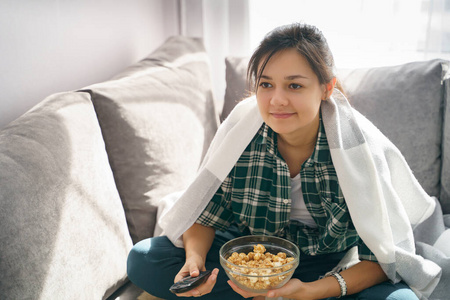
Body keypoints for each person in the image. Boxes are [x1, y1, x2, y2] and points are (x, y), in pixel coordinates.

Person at [127, 23, 440, 300]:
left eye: (294, 85)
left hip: (325, 267)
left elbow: (382, 260)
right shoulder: (242, 136)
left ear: (326, 88)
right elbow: (206, 213)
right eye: (266, 84)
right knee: (144, 259)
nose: (276, 100)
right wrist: (194, 261)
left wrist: (311, 290)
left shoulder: (355, 152)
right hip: (248, 259)